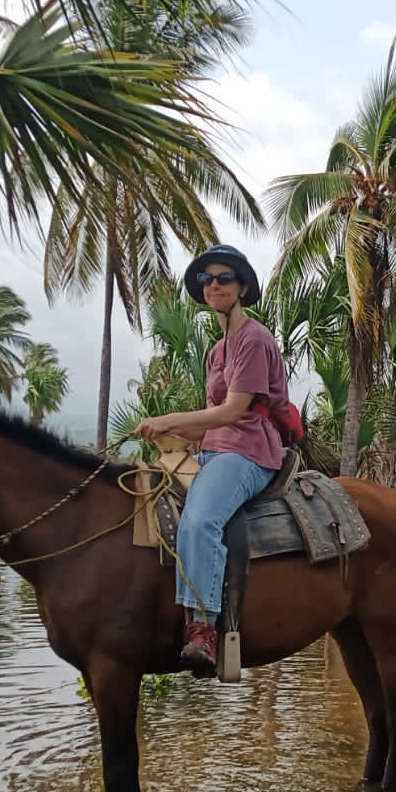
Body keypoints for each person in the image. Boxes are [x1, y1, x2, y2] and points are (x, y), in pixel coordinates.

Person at [134, 245, 292, 675]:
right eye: (206, 280)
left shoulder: (254, 339)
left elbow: (233, 411)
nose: (214, 285)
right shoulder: (216, 352)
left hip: (248, 452)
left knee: (200, 521)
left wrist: (168, 418)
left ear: (242, 287)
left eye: (224, 278)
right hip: (213, 450)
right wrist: (167, 433)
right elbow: (207, 425)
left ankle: (203, 627)